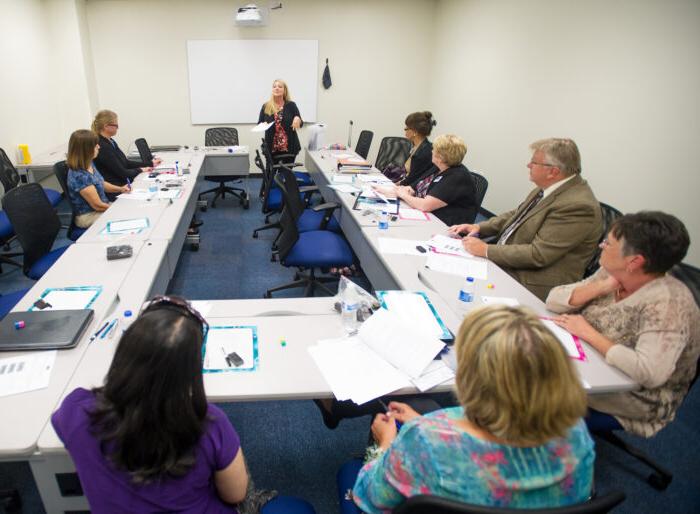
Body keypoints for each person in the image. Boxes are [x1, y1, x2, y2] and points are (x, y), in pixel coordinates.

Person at [343, 306, 594, 512]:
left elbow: (371, 499)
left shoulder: (424, 441)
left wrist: (385, 443)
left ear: (473, 379)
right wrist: (429, 425)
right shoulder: (576, 432)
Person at [547, 211, 700, 437]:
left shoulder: (669, 304)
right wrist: (600, 287)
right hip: (587, 359)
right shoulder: (612, 271)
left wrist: (589, 334)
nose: (601, 246)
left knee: (530, 394)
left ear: (634, 261)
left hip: (633, 394)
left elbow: (649, 372)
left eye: (608, 243)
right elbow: (554, 300)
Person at [448, 138, 602, 301]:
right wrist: (480, 228)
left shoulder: (578, 206)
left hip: (531, 281)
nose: (528, 166)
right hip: (508, 260)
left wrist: (486, 250)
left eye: (534, 162)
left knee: (458, 294)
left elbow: (538, 254)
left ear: (553, 171)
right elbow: (517, 214)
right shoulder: (548, 188)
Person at [374, 134, 478, 225]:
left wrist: (403, 195)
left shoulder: (457, 176)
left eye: (434, 149)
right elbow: (413, 187)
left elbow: (425, 205)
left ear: (441, 156)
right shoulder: (437, 167)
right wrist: (395, 191)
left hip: (444, 225)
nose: (431, 151)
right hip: (424, 216)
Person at [66, 129, 130, 228]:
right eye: (95, 145)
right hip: (89, 215)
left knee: (130, 209)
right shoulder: (79, 175)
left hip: (102, 207)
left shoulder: (89, 163)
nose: (99, 147)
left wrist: (121, 189)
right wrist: (117, 209)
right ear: (86, 149)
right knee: (127, 218)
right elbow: (97, 205)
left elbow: (100, 183)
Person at [92, 109, 161, 199]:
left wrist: (150, 164)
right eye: (116, 125)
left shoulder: (110, 141)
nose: (118, 127)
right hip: (116, 189)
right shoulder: (102, 146)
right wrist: (140, 170)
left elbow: (126, 162)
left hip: (123, 184)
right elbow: (122, 172)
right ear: (106, 126)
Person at [384, 111, 435, 185]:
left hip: (409, 189)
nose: (405, 130)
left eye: (406, 128)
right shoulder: (416, 146)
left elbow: (412, 180)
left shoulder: (424, 153)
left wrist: (393, 186)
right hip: (404, 183)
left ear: (415, 131)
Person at [258, 79, 303, 161]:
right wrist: (263, 124)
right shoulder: (266, 106)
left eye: (280, 86)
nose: (277, 88)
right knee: (272, 173)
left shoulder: (291, 105)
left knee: (286, 172)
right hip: (271, 148)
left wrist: (297, 119)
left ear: (284, 90)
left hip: (289, 148)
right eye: (274, 86)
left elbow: (301, 123)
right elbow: (259, 123)